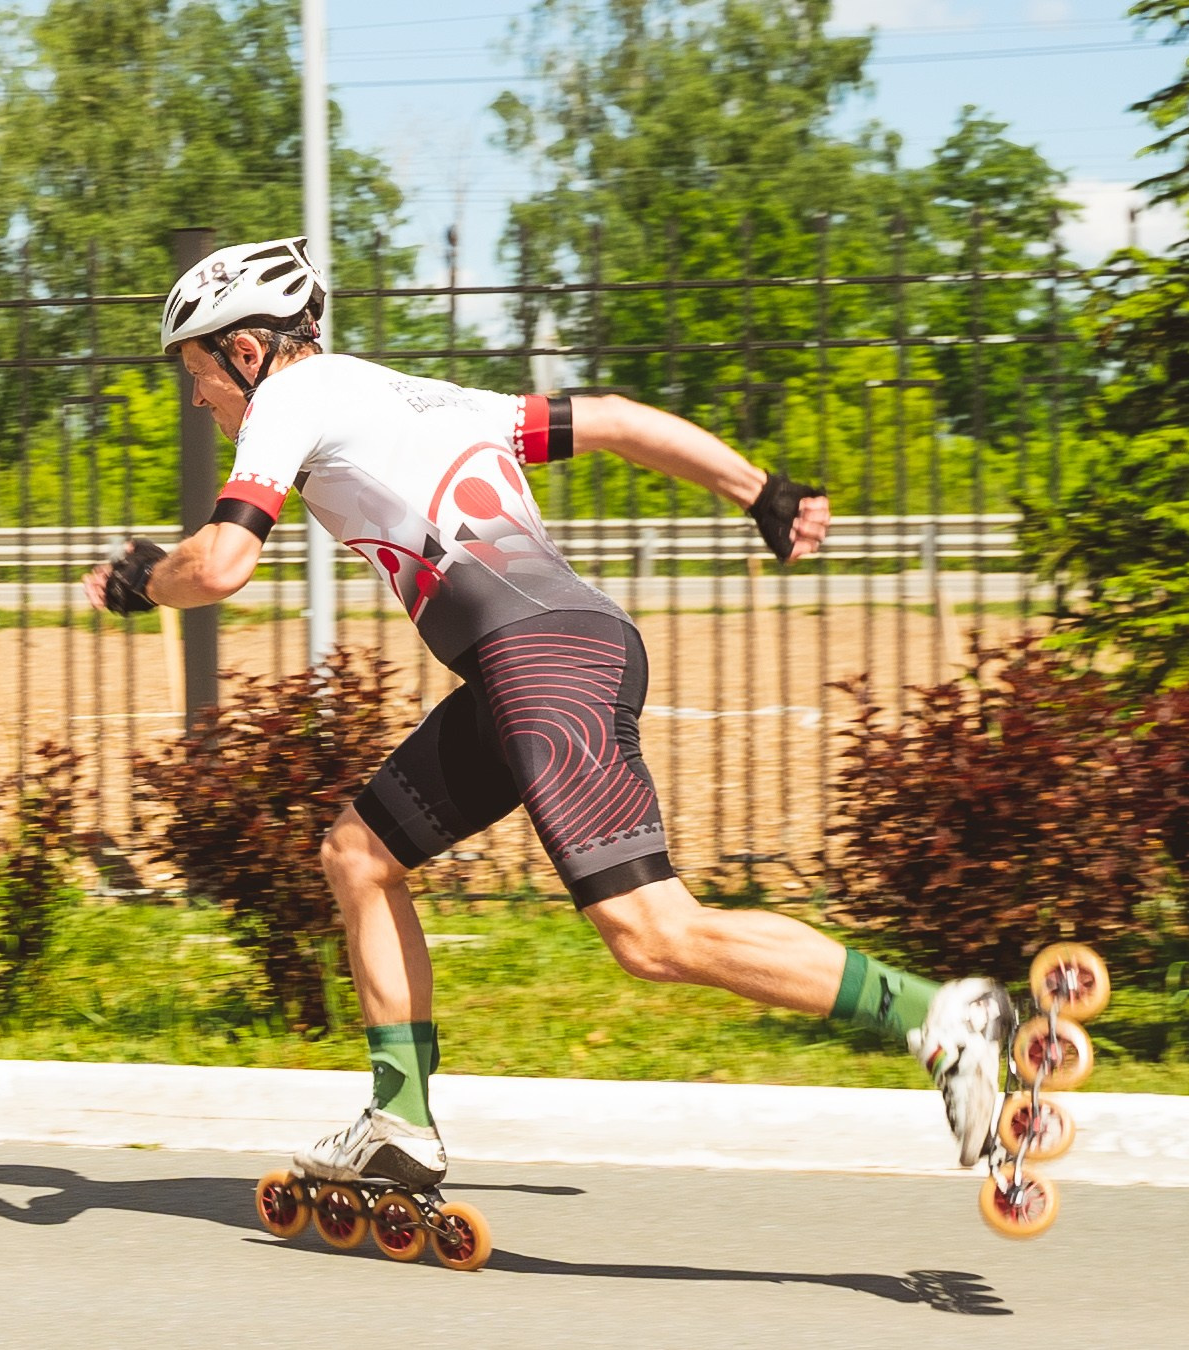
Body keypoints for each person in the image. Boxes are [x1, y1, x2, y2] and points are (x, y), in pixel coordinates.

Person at [86, 236, 1015, 1191]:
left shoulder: (289, 397)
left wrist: (140, 580)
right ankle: (397, 1120)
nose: (198, 400)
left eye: (198, 375)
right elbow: (610, 418)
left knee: (652, 935)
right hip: (536, 658)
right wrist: (762, 492)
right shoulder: (423, 397)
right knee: (358, 855)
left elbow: (222, 564)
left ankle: (938, 1017)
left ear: (246, 350)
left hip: (540, 661)